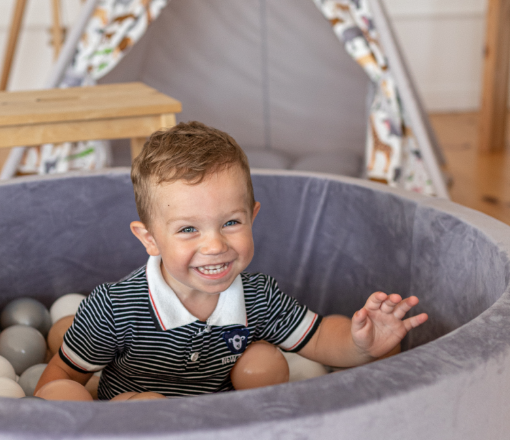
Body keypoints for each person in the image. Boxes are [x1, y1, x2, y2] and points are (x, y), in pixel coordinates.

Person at [35, 121, 428, 399]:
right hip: (135, 437)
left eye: (231, 222)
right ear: (150, 239)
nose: (215, 245)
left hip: (225, 433)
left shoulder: (259, 298)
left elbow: (322, 339)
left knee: (265, 363)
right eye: (189, 229)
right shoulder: (113, 308)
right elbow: (64, 376)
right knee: (148, 406)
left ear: (253, 217)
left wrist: (362, 344)